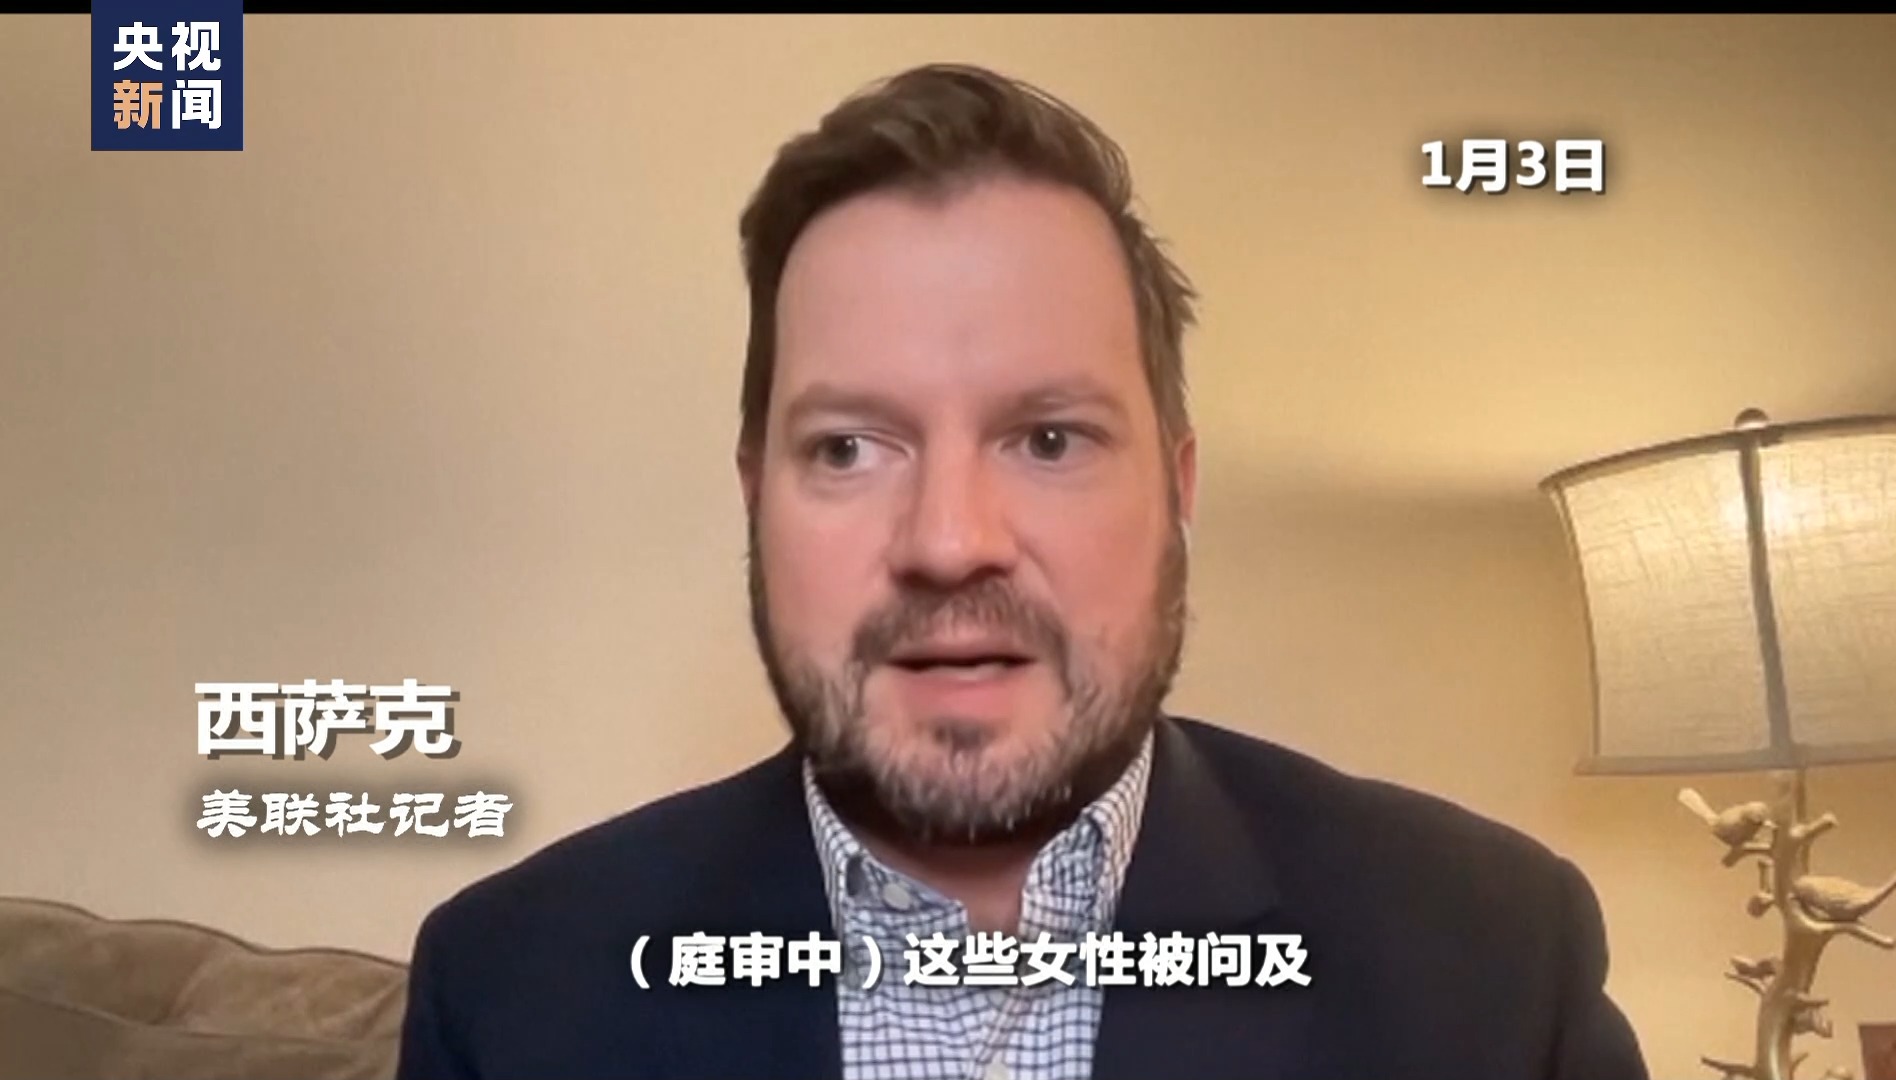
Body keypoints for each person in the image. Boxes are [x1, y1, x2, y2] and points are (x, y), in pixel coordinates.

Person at [395, 62, 1650, 1080]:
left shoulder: (1492, 964)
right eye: (847, 448)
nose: (950, 542)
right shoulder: (510, 991)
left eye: (1049, 440)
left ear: (1178, 487)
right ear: (753, 496)